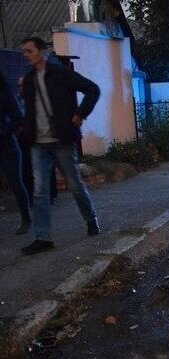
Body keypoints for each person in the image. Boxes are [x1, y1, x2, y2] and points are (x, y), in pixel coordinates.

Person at [19, 36, 101, 255]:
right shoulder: (29, 80)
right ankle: (43, 237)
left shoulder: (60, 73)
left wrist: (80, 114)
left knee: (74, 185)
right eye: (24, 52)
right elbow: (30, 109)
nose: (26, 55)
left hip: (62, 140)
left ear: (42, 51)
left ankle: (91, 220)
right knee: (40, 191)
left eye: (29, 51)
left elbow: (92, 89)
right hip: (39, 143)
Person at [16, 76, 58, 206]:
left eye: (23, 85)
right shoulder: (17, 100)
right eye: (19, 86)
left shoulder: (38, 99)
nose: (21, 88)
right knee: (26, 167)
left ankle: (50, 194)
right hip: (23, 138)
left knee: (45, 166)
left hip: (39, 136)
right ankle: (30, 196)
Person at [0, 72, 31, 235]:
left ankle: (26, 217)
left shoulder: (4, 93)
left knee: (16, 182)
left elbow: (18, 118)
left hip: (7, 146)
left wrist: (5, 131)